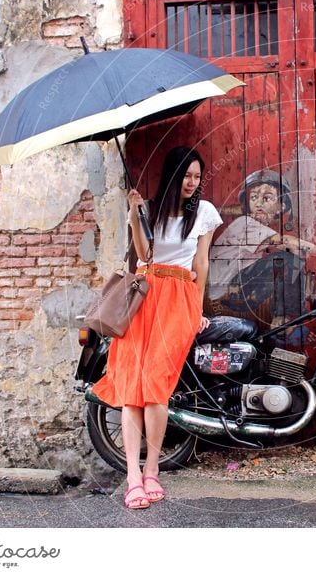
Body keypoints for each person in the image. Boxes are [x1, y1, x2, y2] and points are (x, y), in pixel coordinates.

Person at [91, 147, 223, 510]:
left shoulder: (205, 214)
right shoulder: (149, 208)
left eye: (197, 177)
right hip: (144, 296)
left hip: (178, 298)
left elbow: (201, 263)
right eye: (186, 176)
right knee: (133, 386)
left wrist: (197, 309)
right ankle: (132, 476)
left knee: (157, 387)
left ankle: (152, 470)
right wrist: (135, 215)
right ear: (173, 175)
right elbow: (144, 256)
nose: (192, 183)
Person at [208, 169, 315, 328]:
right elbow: (287, 242)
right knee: (286, 260)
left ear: (281, 206)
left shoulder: (256, 229)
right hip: (227, 291)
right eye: (253, 198)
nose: (258, 203)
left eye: (267, 198)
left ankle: (285, 319)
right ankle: (285, 319)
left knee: (289, 265)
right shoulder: (245, 223)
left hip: (238, 291)